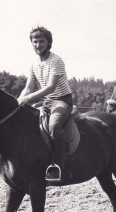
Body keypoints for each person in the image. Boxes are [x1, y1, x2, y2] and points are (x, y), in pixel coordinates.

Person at [17, 26, 73, 181]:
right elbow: (28, 88)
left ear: (49, 43)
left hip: (62, 101)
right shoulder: (33, 64)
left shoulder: (56, 61)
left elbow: (50, 87)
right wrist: (18, 102)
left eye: (41, 41)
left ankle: (58, 168)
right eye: (35, 42)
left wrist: (28, 99)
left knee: (54, 126)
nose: (38, 45)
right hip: (46, 101)